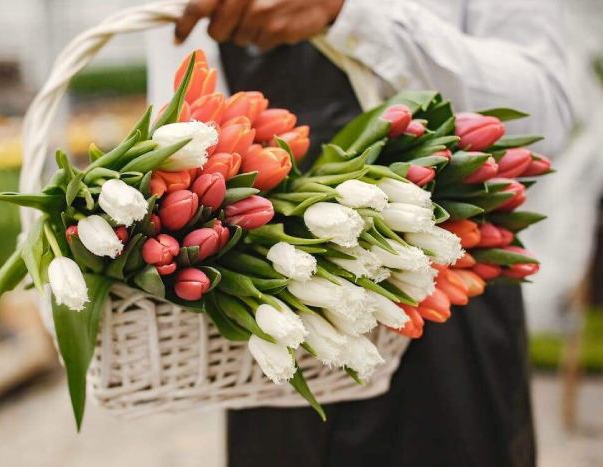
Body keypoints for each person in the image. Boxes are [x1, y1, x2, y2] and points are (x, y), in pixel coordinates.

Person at [146, 1, 573, 465]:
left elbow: (542, 115)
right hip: (278, 323)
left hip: (447, 297)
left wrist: (349, 17)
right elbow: (176, 135)